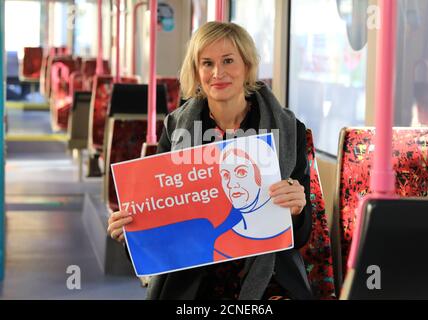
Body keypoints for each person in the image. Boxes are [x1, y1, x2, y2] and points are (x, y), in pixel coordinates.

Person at [107, 21, 312, 300]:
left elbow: (301, 237)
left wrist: (297, 209)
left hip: (269, 272)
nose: (218, 73)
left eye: (228, 60)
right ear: (196, 71)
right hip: (192, 275)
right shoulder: (175, 128)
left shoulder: (290, 131)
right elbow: (162, 224)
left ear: (247, 66)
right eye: (207, 63)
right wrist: (131, 234)